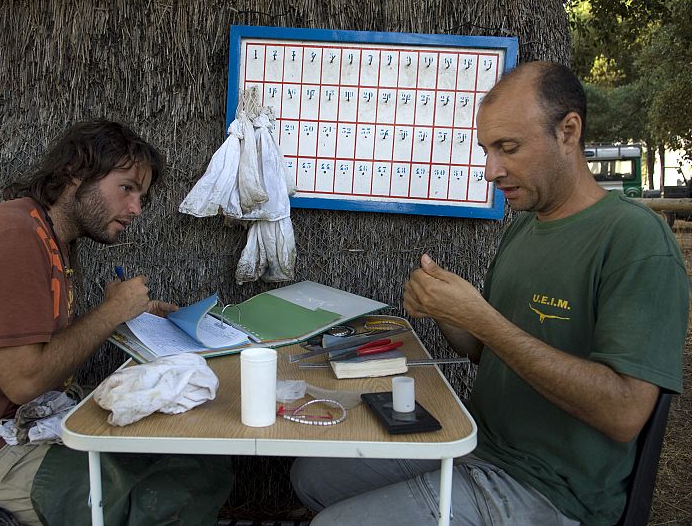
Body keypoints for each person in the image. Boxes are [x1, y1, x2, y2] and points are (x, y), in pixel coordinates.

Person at [291, 61, 687, 525]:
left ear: (568, 131)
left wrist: (483, 319)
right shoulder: (523, 230)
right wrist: (448, 311)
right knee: (311, 476)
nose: (490, 171)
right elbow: (489, 351)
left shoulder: (634, 241)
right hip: (478, 443)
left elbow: (624, 412)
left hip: (553, 489)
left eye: (508, 148)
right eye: (486, 150)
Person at [0, 120, 232, 525]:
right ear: (76, 173)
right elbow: (25, 380)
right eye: (127, 188)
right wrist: (110, 312)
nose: (136, 209)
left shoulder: (52, 240)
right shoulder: (11, 236)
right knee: (164, 499)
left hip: (31, 428)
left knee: (197, 463)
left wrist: (128, 316)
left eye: (142, 197)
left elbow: (43, 347)